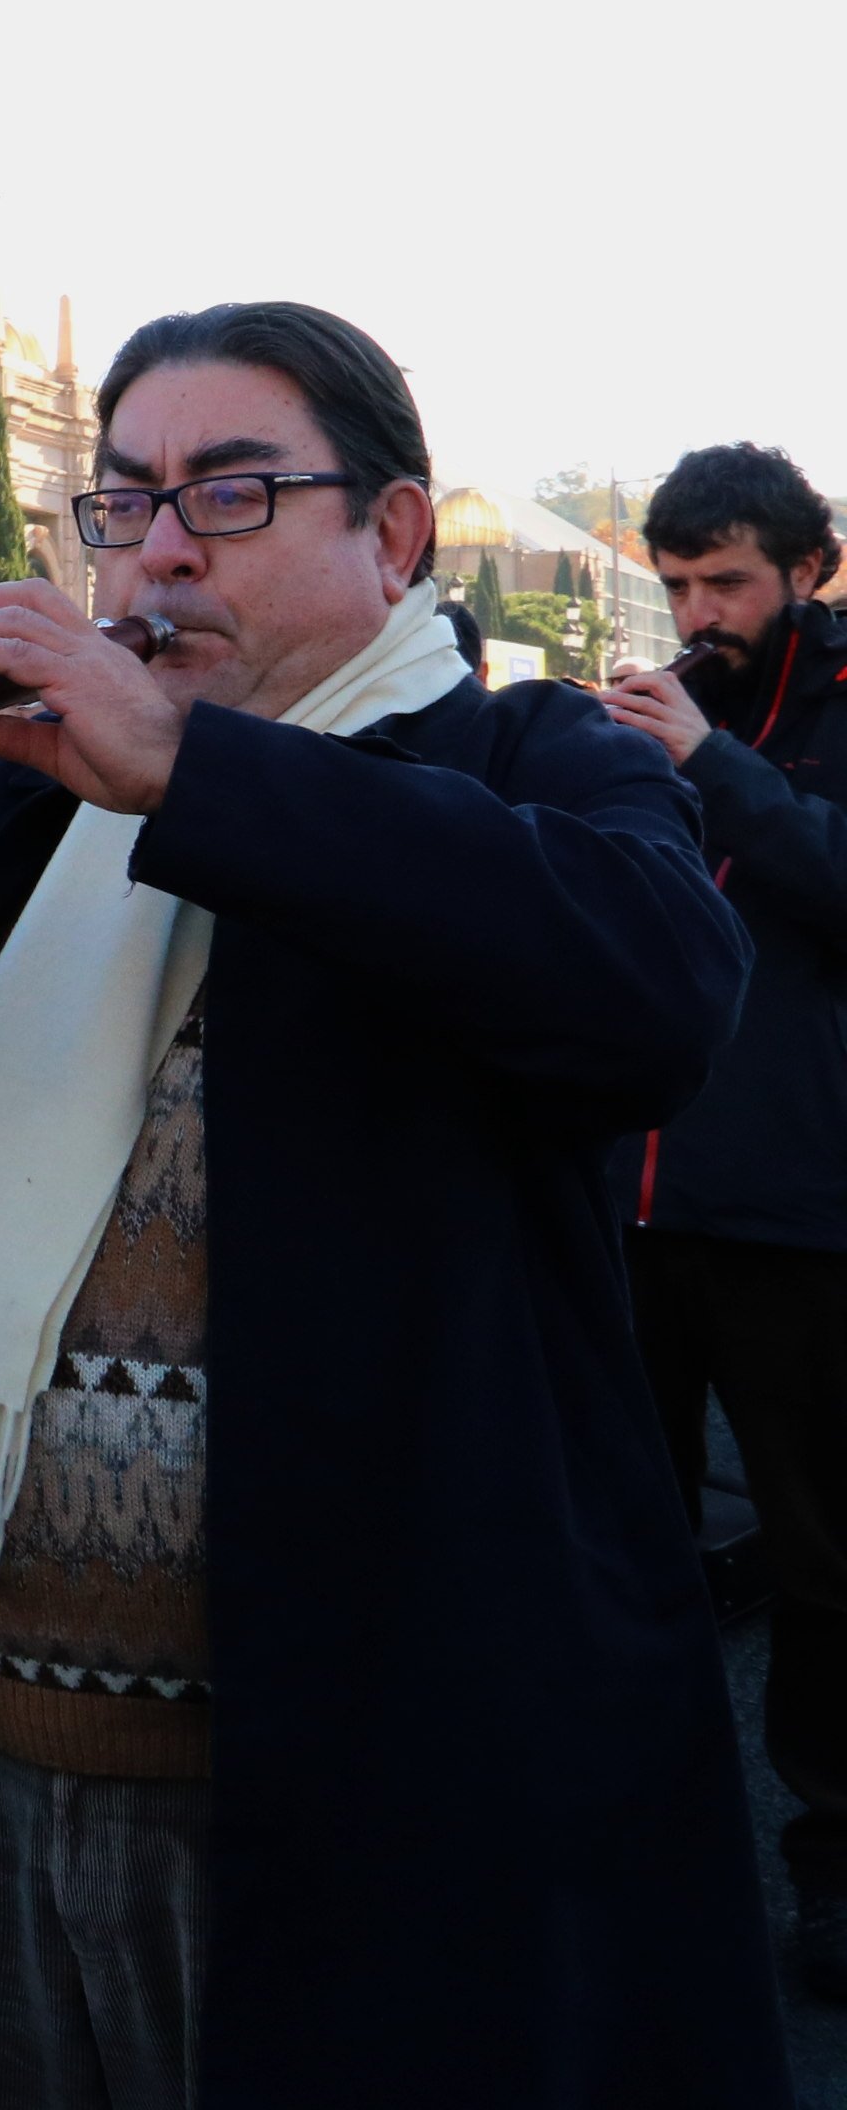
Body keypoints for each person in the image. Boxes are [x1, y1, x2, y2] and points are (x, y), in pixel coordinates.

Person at [0, 302, 786, 2104]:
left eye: (226, 495)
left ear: (390, 534)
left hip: (358, 1781)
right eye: (122, 497)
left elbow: (649, 987)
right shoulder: (19, 805)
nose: (152, 548)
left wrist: (188, 772)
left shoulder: (530, 757)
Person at [594, 441, 847, 2000]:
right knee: (621, 1542)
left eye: (730, 583)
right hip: (626, 1192)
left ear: (811, 573)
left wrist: (711, 763)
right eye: (679, 584)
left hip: (800, 1208)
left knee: (826, 1564)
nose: (699, 612)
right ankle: (633, 1859)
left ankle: (835, 1866)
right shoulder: (655, 711)